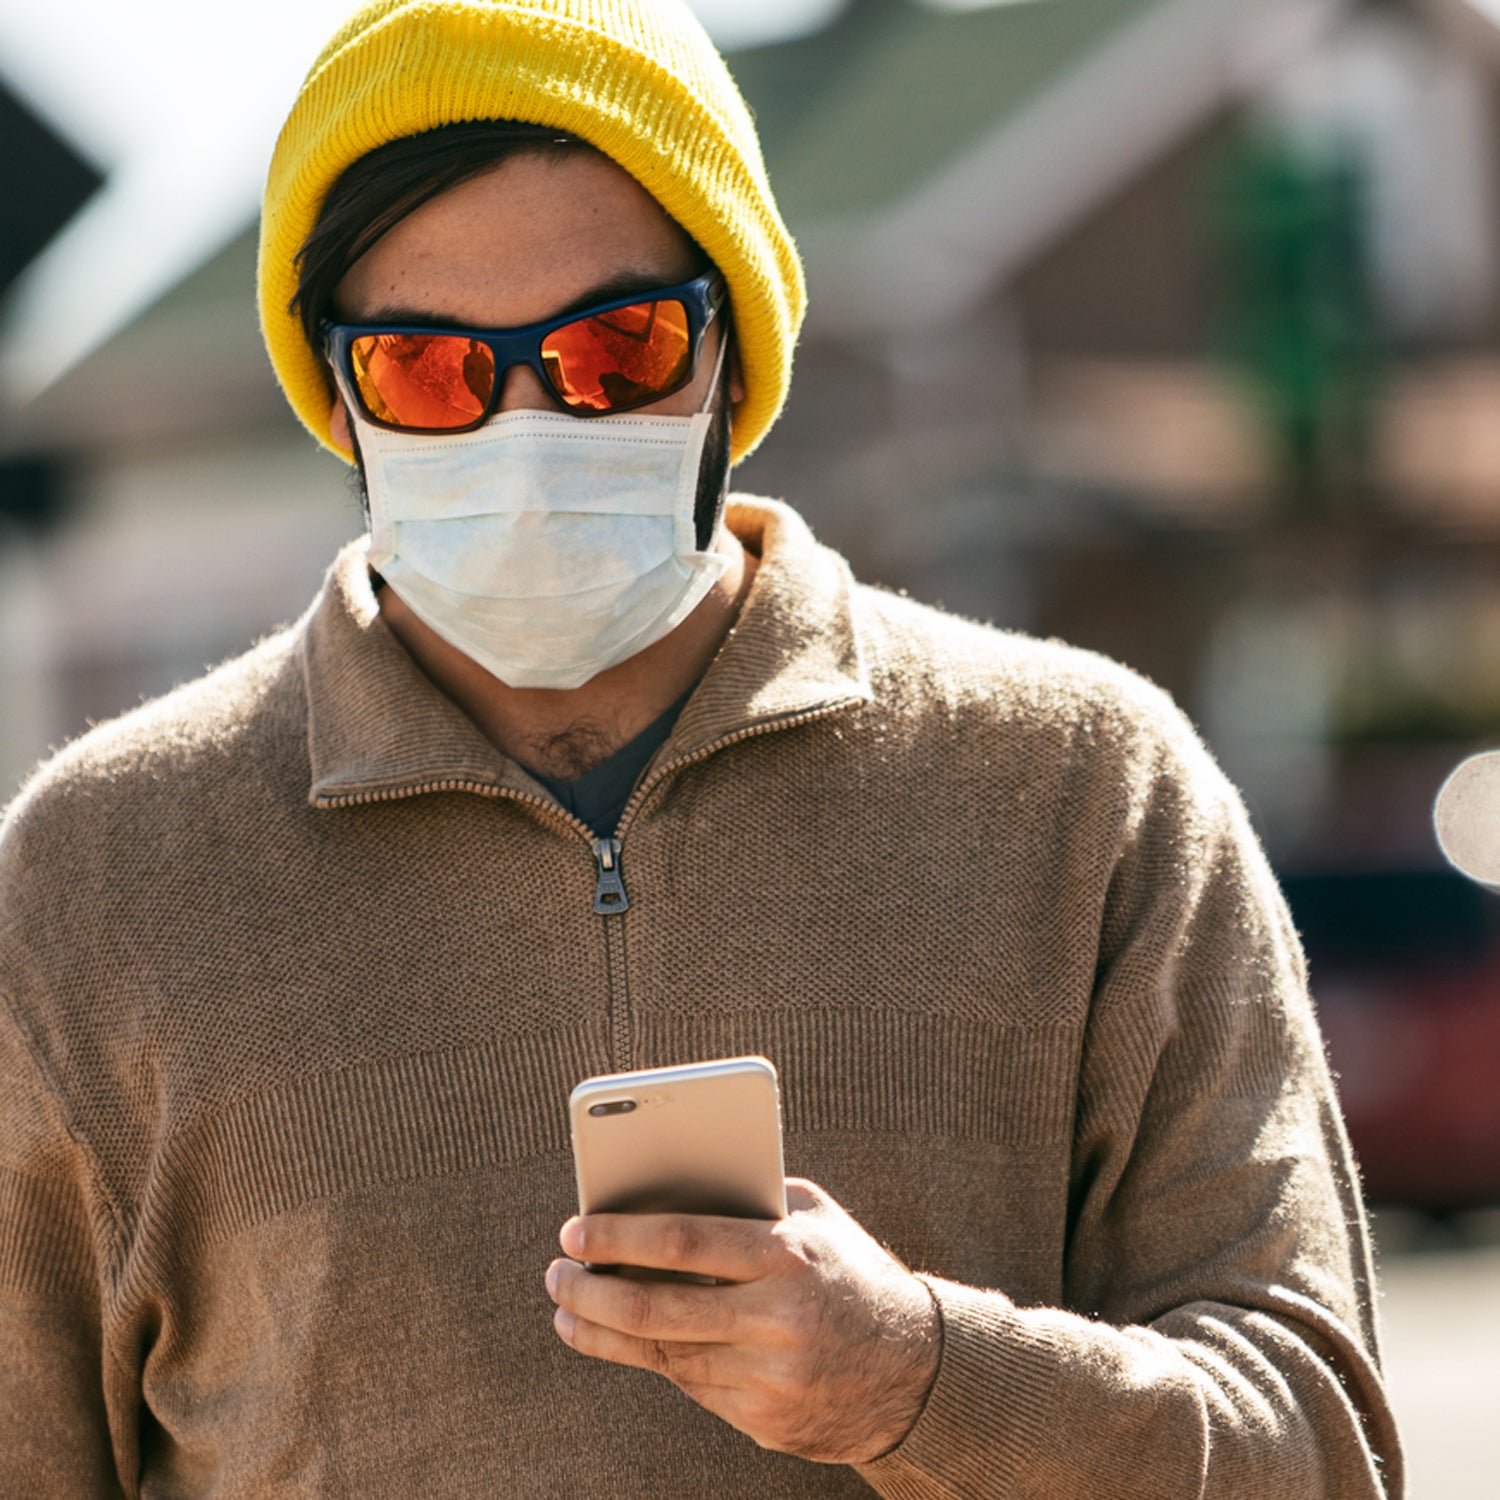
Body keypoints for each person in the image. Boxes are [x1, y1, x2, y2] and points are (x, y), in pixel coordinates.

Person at [0, 2, 1403, 1495]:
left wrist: (921, 1379)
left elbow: (1316, 1454)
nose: (528, 425)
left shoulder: (1085, 791)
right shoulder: (99, 875)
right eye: (430, 371)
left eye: (618, 347)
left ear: (736, 354)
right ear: (339, 401)